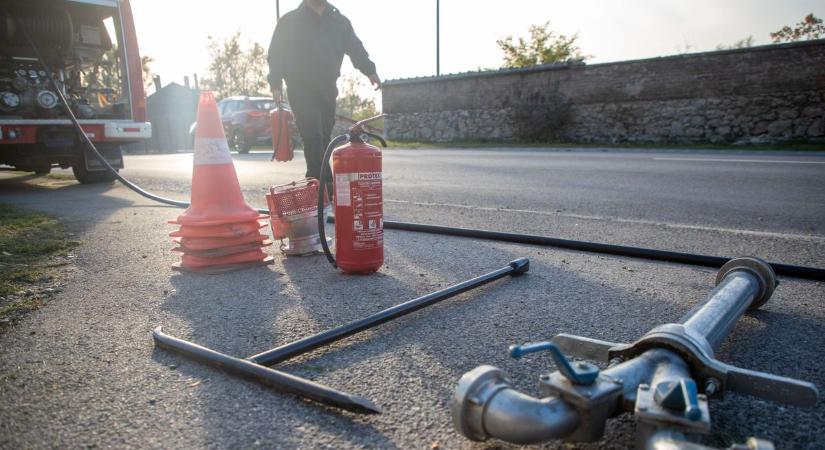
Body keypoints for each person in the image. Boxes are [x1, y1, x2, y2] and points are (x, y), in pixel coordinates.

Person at [267, 0, 380, 196]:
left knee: (324, 137)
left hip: (328, 87)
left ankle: (315, 182)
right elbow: (276, 54)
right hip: (300, 88)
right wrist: (275, 83)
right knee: (313, 135)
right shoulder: (290, 21)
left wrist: (370, 71)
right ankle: (323, 185)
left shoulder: (338, 21)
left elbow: (355, 47)